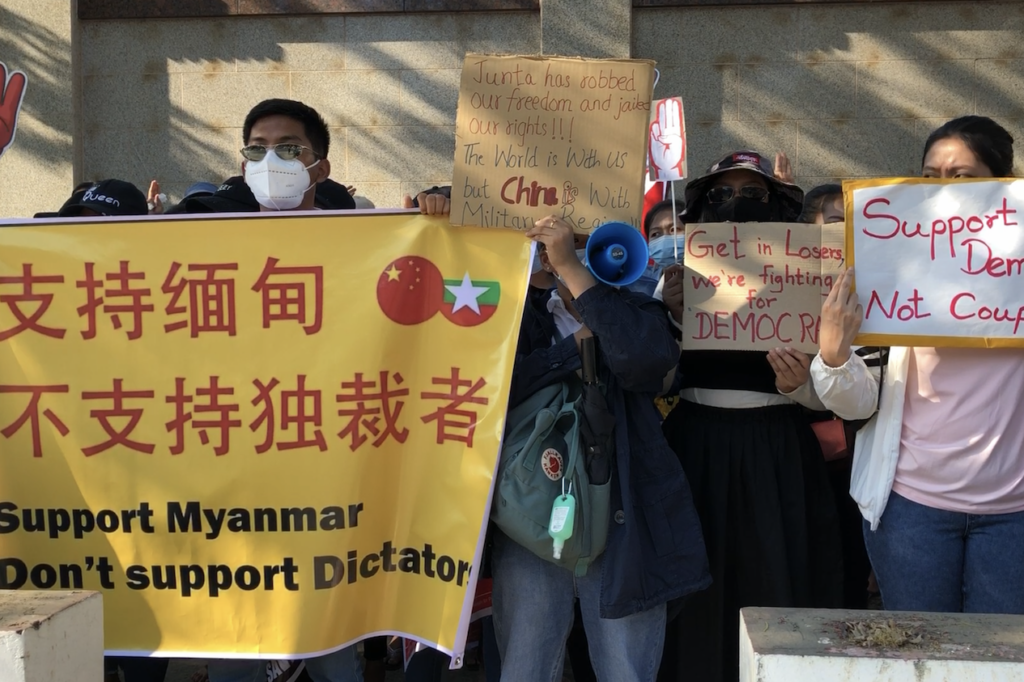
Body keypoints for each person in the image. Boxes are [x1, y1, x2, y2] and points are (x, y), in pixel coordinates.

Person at [812, 115, 1024, 614]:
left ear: (1002, 186)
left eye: (963, 177)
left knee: (1002, 661)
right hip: (912, 510)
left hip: (1012, 515)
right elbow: (858, 401)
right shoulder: (885, 264)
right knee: (921, 654)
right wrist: (834, 354)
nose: (944, 190)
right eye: (931, 177)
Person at [492, 214, 710, 682]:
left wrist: (575, 273)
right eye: (565, 246)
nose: (572, 252)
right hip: (526, 517)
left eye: (584, 246)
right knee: (525, 667)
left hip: (624, 517)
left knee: (625, 669)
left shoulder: (639, 312)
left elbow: (644, 361)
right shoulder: (512, 310)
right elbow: (493, 386)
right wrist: (574, 350)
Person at [657, 151, 844, 682]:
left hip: (777, 448)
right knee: (696, 587)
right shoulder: (680, 281)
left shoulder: (807, 279)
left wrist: (800, 384)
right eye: (719, 194)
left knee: (777, 577)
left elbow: (831, 396)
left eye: (752, 194)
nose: (733, 205)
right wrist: (672, 320)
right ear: (701, 203)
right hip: (695, 448)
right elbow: (661, 382)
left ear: (777, 204)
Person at [203, 98, 360, 682]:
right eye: (257, 149)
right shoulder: (212, 241)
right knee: (237, 659)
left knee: (332, 654)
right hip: (241, 483)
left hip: (330, 480)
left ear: (319, 163)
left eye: (289, 148)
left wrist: (436, 210)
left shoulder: (366, 240)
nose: (272, 160)